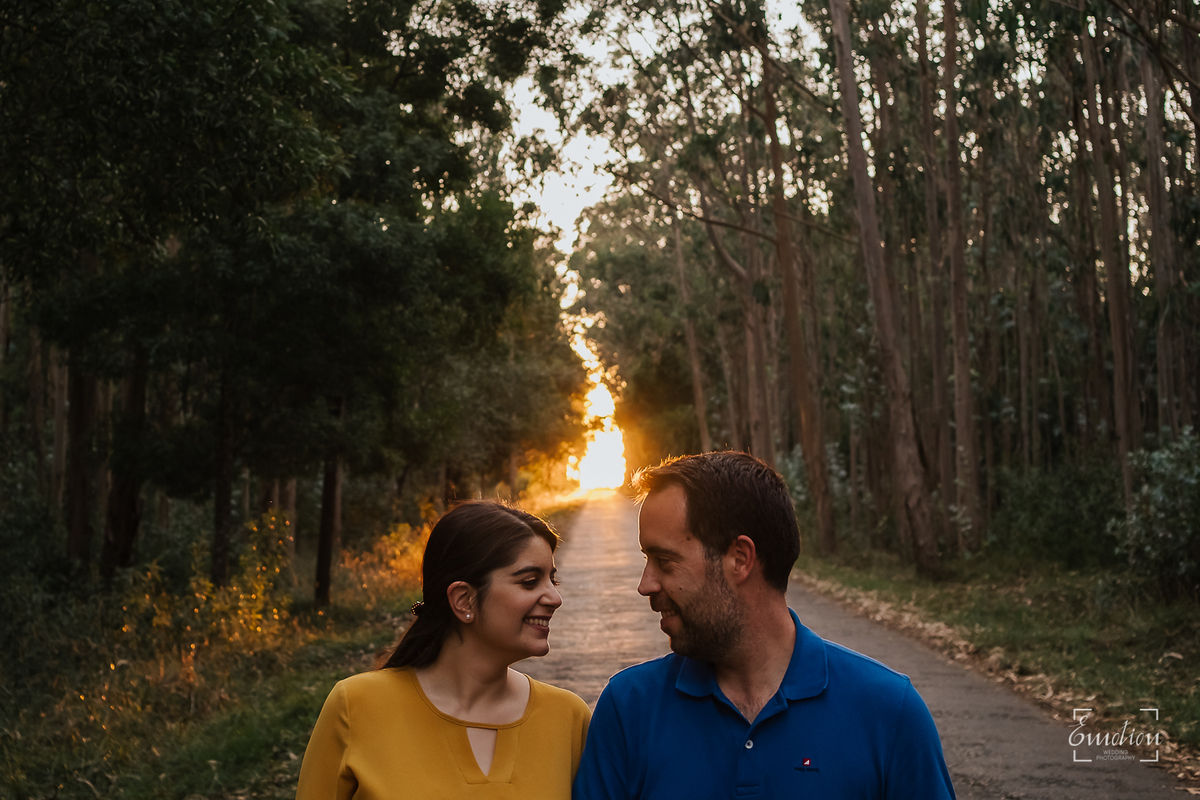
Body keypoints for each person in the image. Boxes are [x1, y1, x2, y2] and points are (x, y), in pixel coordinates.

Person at [573, 452, 956, 800]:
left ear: (740, 559)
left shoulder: (888, 711)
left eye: (665, 561)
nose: (645, 585)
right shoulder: (629, 708)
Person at [297, 500, 590, 799]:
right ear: (463, 600)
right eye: (529, 582)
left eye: (552, 580)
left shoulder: (569, 718)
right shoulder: (356, 707)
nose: (555, 597)